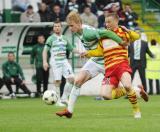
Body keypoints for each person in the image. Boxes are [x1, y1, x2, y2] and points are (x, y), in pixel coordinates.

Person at [55, 11, 124, 118]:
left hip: (107, 63)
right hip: (94, 61)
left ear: (78, 23)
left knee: (111, 94)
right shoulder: (78, 32)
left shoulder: (88, 33)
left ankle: (137, 90)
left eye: (71, 25)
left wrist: (121, 42)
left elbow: (107, 33)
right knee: (78, 81)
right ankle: (69, 111)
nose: (70, 28)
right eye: (69, 26)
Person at [81, 13, 149, 119]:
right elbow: (100, 51)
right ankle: (136, 90)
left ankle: (136, 110)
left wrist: (128, 30)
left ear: (116, 21)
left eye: (109, 22)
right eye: (106, 22)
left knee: (127, 85)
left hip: (122, 65)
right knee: (105, 95)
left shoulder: (123, 32)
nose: (106, 24)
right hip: (109, 69)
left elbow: (137, 37)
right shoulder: (103, 36)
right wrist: (88, 53)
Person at [43, 21, 80, 106]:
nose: (57, 28)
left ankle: (64, 98)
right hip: (55, 61)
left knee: (72, 79)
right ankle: (57, 101)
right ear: (53, 28)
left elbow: (71, 49)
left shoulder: (65, 38)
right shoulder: (51, 38)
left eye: (58, 26)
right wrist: (45, 62)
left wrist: (81, 52)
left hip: (64, 61)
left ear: (61, 28)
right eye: (55, 26)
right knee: (57, 81)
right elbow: (45, 50)